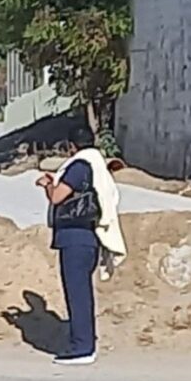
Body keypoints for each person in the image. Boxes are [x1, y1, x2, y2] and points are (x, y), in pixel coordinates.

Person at [36, 127, 127, 365]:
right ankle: (84, 343)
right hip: (88, 239)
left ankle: (82, 348)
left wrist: (47, 184)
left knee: (77, 295)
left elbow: (57, 197)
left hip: (75, 239)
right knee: (82, 294)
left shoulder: (79, 167)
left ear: (72, 146)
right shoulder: (96, 166)